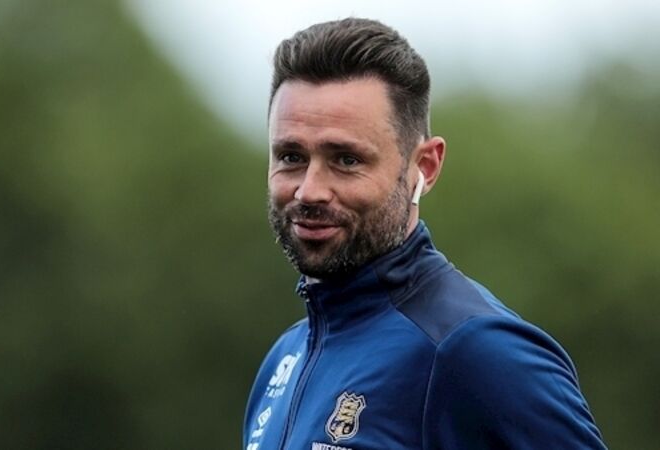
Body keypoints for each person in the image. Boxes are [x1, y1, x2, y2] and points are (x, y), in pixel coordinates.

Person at [243, 18, 607, 450]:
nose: (310, 190)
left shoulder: (474, 350)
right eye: (291, 156)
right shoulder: (284, 359)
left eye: (346, 160)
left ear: (425, 167)